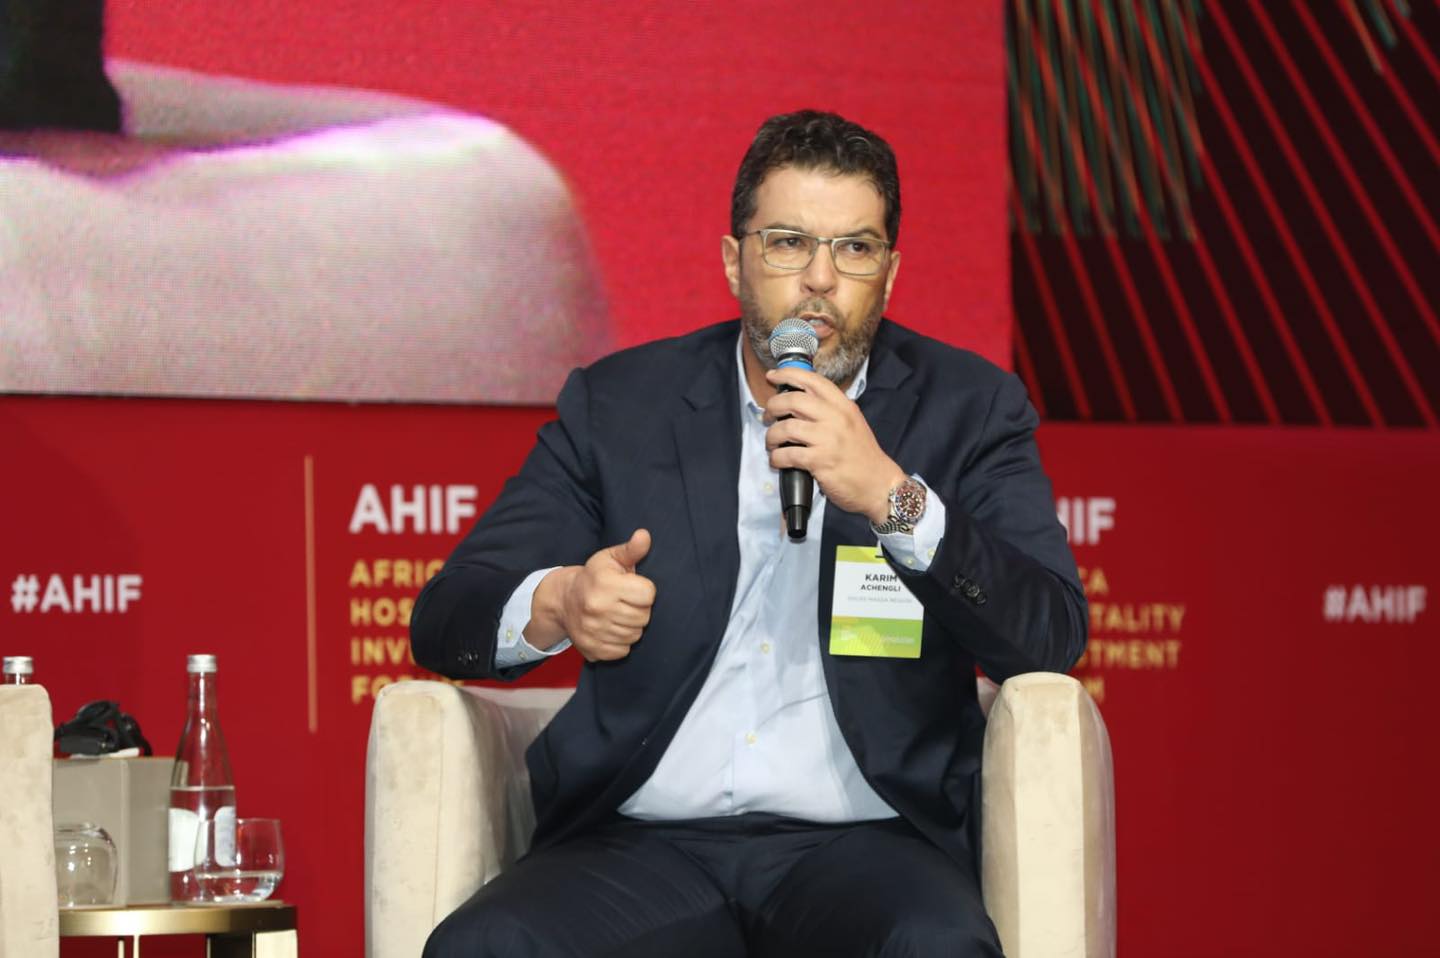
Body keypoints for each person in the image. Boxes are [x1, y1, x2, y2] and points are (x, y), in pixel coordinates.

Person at [411, 109, 1087, 957]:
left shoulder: (970, 409)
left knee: (935, 947)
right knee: (483, 946)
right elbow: (447, 617)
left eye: (855, 248)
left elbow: (1049, 633)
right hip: (640, 842)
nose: (820, 281)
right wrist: (558, 604)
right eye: (788, 244)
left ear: (890, 273)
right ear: (735, 260)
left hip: (868, 846)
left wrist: (892, 498)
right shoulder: (622, 406)